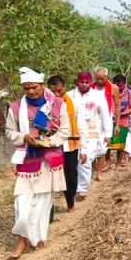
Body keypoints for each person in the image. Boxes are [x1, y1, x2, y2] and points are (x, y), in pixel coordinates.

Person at [5, 67, 68, 258]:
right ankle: (23, 238)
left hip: (49, 159)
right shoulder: (16, 107)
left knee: (42, 203)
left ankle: (36, 237)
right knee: (22, 204)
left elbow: (65, 131)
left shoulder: (57, 104)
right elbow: (9, 132)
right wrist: (25, 137)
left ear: (42, 85)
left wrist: (48, 141)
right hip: (27, 159)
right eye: (26, 88)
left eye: (34, 87)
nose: (31, 91)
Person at [68, 72, 112, 197]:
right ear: (77, 82)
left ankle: (83, 188)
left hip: (91, 131)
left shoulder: (97, 96)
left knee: (85, 159)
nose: (84, 85)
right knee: (73, 160)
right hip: (73, 132)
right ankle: (74, 185)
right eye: (81, 82)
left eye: (87, 82)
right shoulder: (69, 95)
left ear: (90, 82)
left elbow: (105, 114)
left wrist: (108, 134)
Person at [47, 75, 80, 213]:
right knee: (49, 178)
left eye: (59, 91)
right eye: (53, 91)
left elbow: (80, 124)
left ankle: (70, 201)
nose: (56, 95)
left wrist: (83, 148)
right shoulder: (44, 104)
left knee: (71, 177)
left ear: (64, 88)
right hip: (50, 145)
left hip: (70, 145)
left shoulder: (73, 103)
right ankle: (48, 209)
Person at [90, 67, 120, 179]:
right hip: (92, 121)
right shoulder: (90, 87)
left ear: (107, 77)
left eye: (102, 78)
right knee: (91, 146)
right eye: (98, 78)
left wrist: (117, 125)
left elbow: (117, 106)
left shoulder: (113, 88)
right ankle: (92, 171)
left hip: (105, 121)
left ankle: (99, 172)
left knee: (103, 148)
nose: (100, 81)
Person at [109, 74, 131, 167]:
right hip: (110, 121)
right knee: (107, 142)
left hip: (123, 121)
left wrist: (120, 114)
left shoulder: (130, 93)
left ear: (125, 84)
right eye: (117, 85)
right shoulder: (109, 93)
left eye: (121, 86)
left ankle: (118, 163)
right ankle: (107, 162)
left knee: (121, 144)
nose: (119, 88)